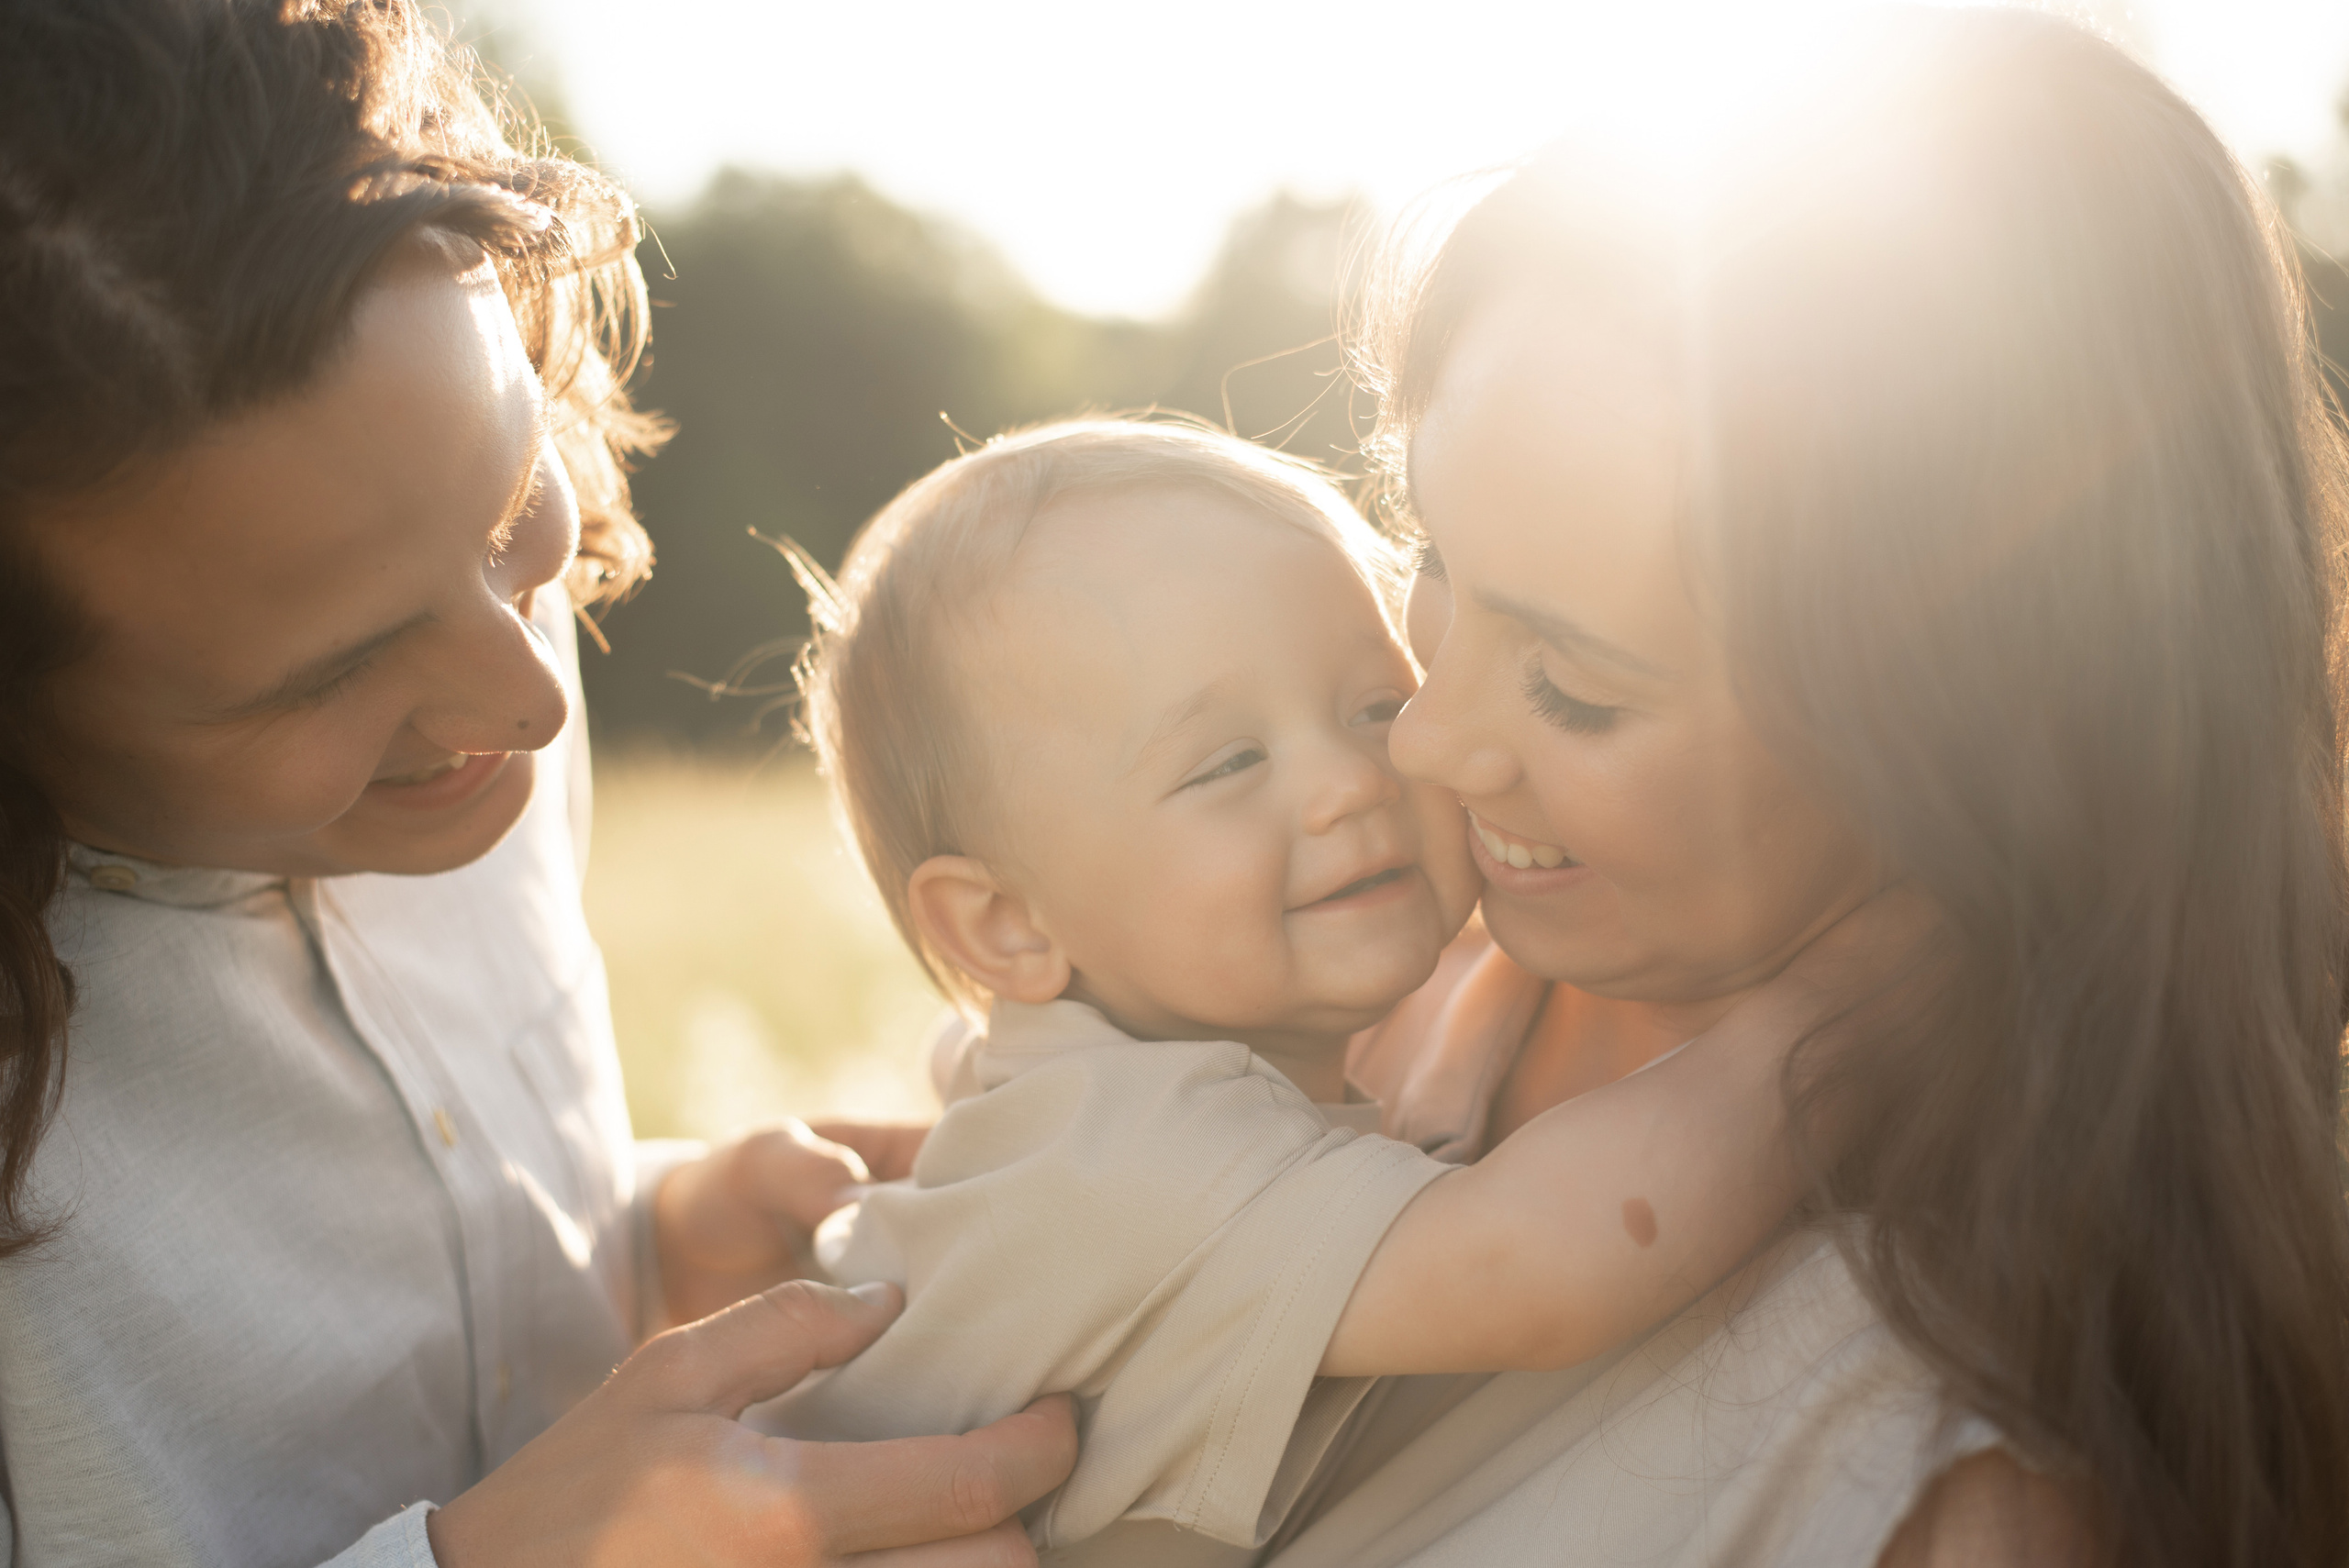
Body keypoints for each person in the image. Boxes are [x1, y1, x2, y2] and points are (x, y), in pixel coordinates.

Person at [1257, 9, 2349, 1566]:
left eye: (1579, 684)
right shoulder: (1344, 959)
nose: (1426, 740)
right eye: (1433, 557)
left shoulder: (1956, 1481)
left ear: (1976, 734)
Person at [0, 3, 1072, 1563]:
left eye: (513, 507)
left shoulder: (461, 721)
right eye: (327, 672)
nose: (523, 690)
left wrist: (632, 1242)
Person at [761, 418, 1889, 1564]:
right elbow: (1550, 1258)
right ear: (1006, 924)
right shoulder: (1116, 1156)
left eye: (1373, 706)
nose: (1348, 782)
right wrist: (1859, 990)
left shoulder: (1071, 1082)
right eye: (1228, 763)